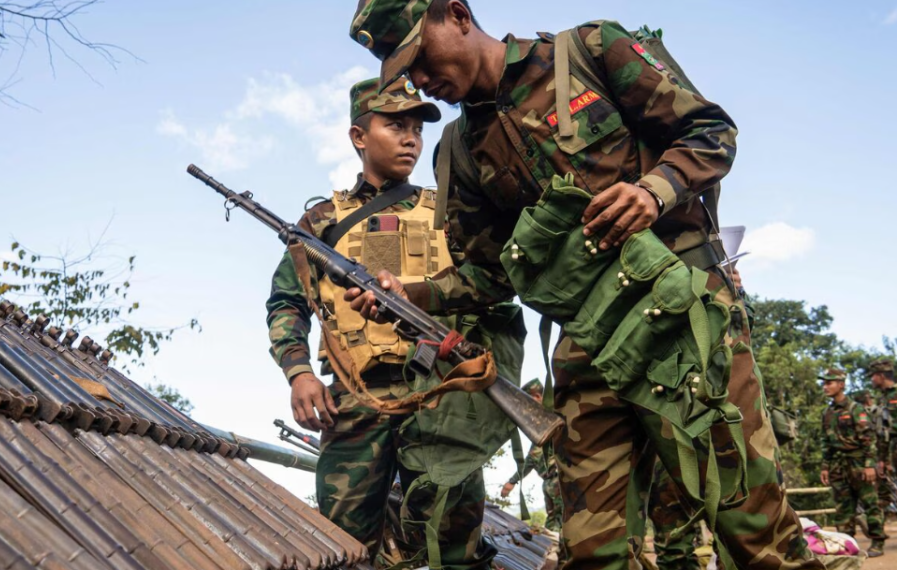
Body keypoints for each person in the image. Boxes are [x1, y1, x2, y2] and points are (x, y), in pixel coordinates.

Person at [344, 1, 819, 567]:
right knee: (592, 552)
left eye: (421, 56)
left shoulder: (591, 51)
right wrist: (410, 295)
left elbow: (712, 131)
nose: (421, 81)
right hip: (590, 342)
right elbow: (490, 275)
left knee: (755, 532)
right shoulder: (460, 151)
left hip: (681, 320)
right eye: (406, 73)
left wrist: (655, 190)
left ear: (458, 15)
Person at [264, 76, 505, 569]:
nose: (411, 137)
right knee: (343, 549)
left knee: (456, 545)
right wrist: (299, 372)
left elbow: (489, 286)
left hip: (442, 397)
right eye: (395, 125)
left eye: (416, 127)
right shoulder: (321, 223)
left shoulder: (449, 212)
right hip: (354, 401)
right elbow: (286, 302)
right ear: (359, 136)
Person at [819, 369, 887, 556]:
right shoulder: (827, 412)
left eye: (829, 382)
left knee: (870, 503)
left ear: (841, 384)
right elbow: (825, 441)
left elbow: (869, 438)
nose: (825, 386)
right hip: (837, 465)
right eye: (824, 383)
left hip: (858, 462)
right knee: (843, 506)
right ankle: (846, 544)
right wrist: (825, 466)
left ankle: (877, 542)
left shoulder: (856, 409)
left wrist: (869, 464)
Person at [500, 379, 562, 532]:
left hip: (559, 479)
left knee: (562, 522)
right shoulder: (544, 421)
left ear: (537, 397)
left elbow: (532, 458)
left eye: (529, 402)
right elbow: (533, 458)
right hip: (550, 481)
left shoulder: (555, 416)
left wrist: (512, 481)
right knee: (553, 523)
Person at [869, 358, 897, 518]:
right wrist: (883, 459)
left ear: (881, 375)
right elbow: (882, 433)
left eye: (873, 375)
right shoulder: (882, 399)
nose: (872, 379)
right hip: (890, 454)